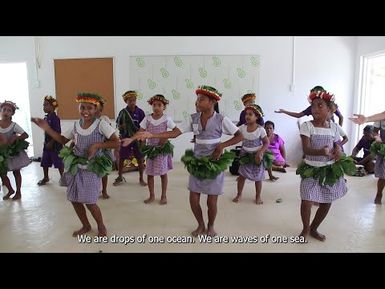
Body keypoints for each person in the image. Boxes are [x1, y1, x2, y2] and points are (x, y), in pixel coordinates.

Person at [124, 85, 243, 237]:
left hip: (214, 163)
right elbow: (174, 133)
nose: (197, 102)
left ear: (212, 101)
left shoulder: (221, 119)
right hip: (197, 163)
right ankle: (200, 224)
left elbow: (239, 135)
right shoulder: (193, 118)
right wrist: (150, 135)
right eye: (197, 99)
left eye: (201, 100)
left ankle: (210, 225)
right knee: (193, 199)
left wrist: (222, 146)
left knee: (211, 201)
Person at [31, 92, 119, 237]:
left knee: (89, 201)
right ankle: (86, 225)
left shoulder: (101, 124)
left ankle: (101, 225)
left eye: (89, 108)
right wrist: (46, 128)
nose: (85, 111)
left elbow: (116, 142)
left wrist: (97, 145)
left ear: (96, 109)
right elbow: (61, 139)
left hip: (92, 167)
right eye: (82, 107)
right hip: (75, 167)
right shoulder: (76, 125)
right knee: (74, 199)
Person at [296, 90, 352, 241]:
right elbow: (306, 149)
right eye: (313, 106)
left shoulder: (333, 127)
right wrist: (320, 151)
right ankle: (305, 229)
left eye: (320, 105)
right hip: (311, 169)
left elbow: (338, 143)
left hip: (328, 170)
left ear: (329, 109)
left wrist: (338, 149)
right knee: (306, 200)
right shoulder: (307, 126)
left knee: (327, 201)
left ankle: (314, 228)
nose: (315, 109)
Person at [125, 94, 176, 204]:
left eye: (159, 105)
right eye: (154, 105)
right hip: (151, 149)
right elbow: (140, 131)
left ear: (164, 107)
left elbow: (175, 131)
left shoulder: (167, 118)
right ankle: (151, 195)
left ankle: (163, 195)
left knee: (163, 173)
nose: (156, 107)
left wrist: (166, 137)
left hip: (161, 149)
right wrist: (131, 139)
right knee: (150, 173)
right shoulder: (147, 118)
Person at [232, 104, 269, 204]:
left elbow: (266, 143)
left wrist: (260, 153)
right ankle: (239, 194)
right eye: (246, 114)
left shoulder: (261, 129)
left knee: (258, 178)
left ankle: (258, 196)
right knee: (242, 176)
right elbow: (234, 133)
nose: (247, 116)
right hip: (245, 155)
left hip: (257, 156)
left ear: (257, 117)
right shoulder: (242, 128)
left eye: (250, 114)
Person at [350, 112, 385, 204]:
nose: (365, 136)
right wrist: (353, 156)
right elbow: (356, 148)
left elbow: (372, 155)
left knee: (371, 164)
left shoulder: (374, 140)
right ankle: (379, 194)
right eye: (364, 134)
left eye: (367, 135)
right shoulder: (365, 138)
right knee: (382, 176)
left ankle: (365, 168)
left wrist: (360, 163)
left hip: (372, 160)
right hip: (371, 155)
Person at [114, 90, 147, 186]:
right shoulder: (123, 112)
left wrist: (143, 139)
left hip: (138, 139)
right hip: (125, 139)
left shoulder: (140, 112)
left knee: (140, 158)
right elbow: (118, 125)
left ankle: (141, 178)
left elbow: (144, 126)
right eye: (130, 100)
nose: (132, 102)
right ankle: (120, 176)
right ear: (126, 101)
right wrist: (122, 127)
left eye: (134, 100)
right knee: (121, 158)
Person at [0, 101, 30, 200]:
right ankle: (10, 190)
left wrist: (16, 138)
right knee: (2, 173)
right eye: (4, 110)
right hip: (2, 152)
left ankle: (18, 191)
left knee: (16, 172)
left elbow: (25, 135)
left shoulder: (14, 125)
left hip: (13, 153)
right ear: (1, 111)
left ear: (12, 113)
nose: (6, 112)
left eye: (9, 111)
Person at [275, 86, 344, 126]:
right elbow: (298, 115)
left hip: (331, 131)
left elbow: (341, 117)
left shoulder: (330, 105)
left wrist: (338, 130)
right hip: (317, 131)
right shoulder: (312, 108)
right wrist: (284, 111)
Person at [37, 95, 64, 186]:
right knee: (45, 161)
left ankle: (63, 178)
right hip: (47, 143)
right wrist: (46, 143)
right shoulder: (46, 118)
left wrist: (52, 142)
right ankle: (46, 177)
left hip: (55, 144)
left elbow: (57, 132)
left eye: (46, 105)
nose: (44, 107)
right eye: (43, 105)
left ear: (53, 107)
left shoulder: (55, 118)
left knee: (59, 162)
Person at [95, 98, 115, 199]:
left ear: (101, 110)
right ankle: (95, 190)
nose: (95, 112)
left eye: (98, 109)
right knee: (94, 171)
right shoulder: (88, 121)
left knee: (103, 172)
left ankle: (104, 190)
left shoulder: (105, 119)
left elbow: (111, 133)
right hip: (94, 151)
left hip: (104, 148)